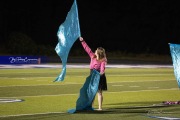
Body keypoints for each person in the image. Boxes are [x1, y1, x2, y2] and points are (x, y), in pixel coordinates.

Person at [79, 37, 107, 111]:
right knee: (91, 92)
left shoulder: (102, 61)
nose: (94, 51)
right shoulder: (92, 56)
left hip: (99, 77)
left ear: (98, 53)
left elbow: (102, 69)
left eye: (96, 51)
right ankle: (90, 106)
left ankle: (100, 107)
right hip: (92, 76)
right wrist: (82, 41)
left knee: (99, 92)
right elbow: (87, 49)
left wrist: (101, 73)